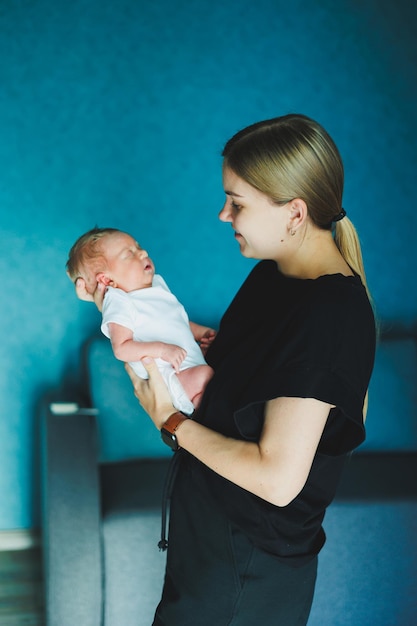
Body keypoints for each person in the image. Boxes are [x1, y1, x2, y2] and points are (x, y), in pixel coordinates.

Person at [83, 114, 376, 625]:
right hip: (209, 539)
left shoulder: (331, 315)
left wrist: (169, 423)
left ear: (294, 212)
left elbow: (277, 481)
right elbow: (220, 400)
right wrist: (117, 304)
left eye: (236, 202)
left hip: (246, 567)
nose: (223, 215)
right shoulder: (272, 277)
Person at [66, 228, 215, 414]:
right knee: (208, 378)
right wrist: (162, 349)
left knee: (216, 374)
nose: (143, 252)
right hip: (173, 376)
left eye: (139, 247)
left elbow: (175, 319)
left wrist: (201, 333)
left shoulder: (157, 284)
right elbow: (122, 348)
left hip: (190, 364)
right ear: (107, 279)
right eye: (129, 253)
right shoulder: (120, 301)